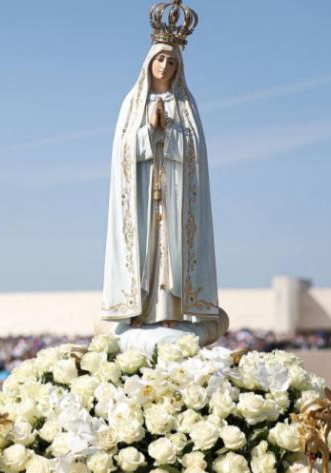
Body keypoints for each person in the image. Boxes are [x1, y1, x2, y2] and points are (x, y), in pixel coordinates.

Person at [102, 17, 219, 329]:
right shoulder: (133, 102)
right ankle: (139, 309)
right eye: (160, 59)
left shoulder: (184, 104)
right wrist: (149, 130)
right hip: (142, 190)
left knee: (171, 245)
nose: (165, 66)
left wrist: (170, 132)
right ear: (149, 62)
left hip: (175, 191)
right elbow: (122, 151)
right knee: (144, 246)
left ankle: (171, 310)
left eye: (171, 61)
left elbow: (194, 152)